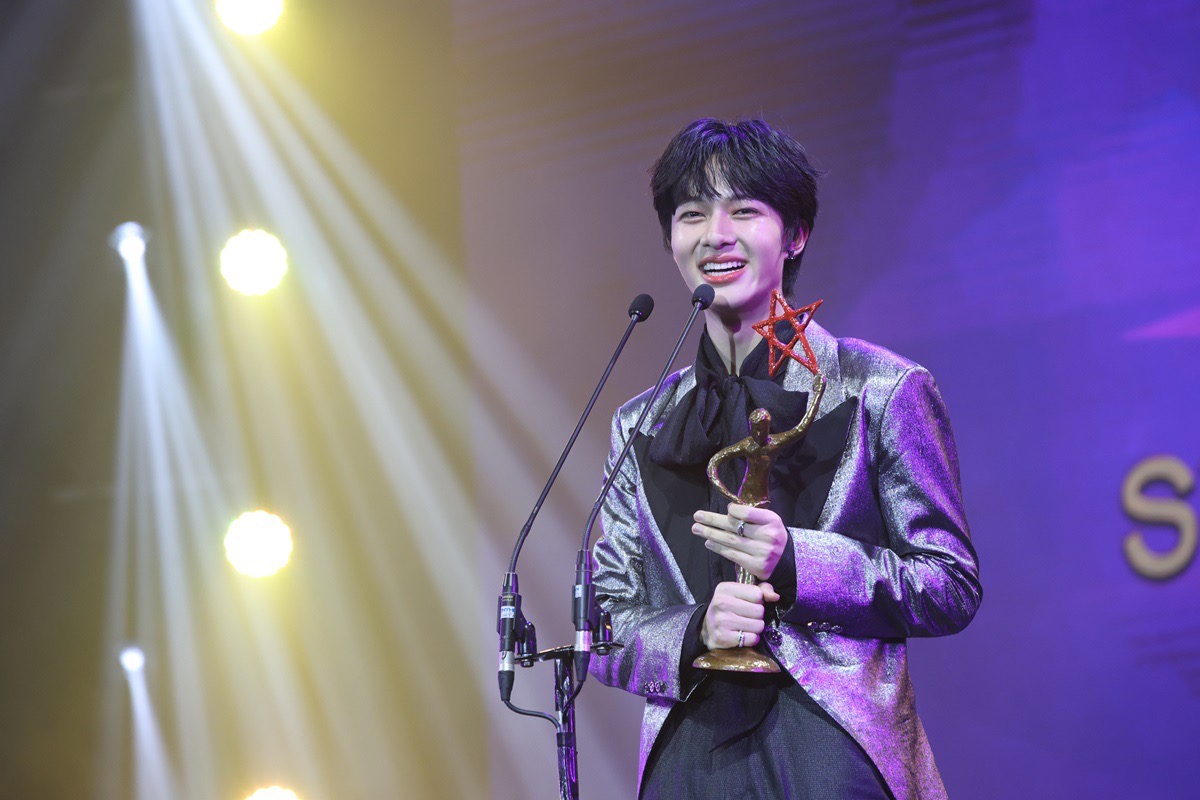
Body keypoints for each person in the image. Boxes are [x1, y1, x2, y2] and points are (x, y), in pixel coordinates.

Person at [589, 118, 982, 800]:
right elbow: (603, 622)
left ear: (795, 234)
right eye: (692, 214)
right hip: (688, 758)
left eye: (744, 211)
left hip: (830, 747)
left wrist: (799, 561)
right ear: (671, 240)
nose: (716, 234)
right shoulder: (639, 424)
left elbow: (949, 584)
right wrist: (694, 630)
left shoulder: (881, 389)